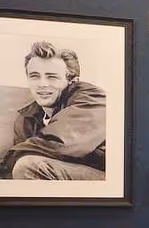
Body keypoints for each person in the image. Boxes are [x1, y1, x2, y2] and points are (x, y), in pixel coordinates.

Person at [0, 41, 108, 180]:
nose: (42, 84)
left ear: (73, 80)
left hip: (108, 180)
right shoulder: (26, 118)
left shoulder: (92, 97)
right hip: (63, 176)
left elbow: (61, 144)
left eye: (52, 77)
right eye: (34, 76)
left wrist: (5, 163)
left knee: (28, 166)